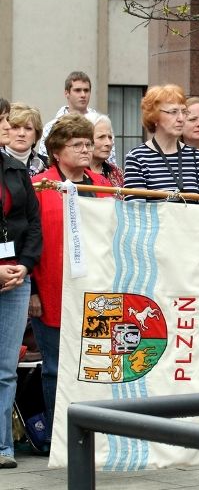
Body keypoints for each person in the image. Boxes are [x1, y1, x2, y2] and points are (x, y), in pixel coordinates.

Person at [30, 114, 112, 445]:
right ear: (56, 151)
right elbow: (30, 243)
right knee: (55, 368)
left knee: (95, 365)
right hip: (52, 289)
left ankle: (94, 434)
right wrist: (33, 291)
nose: (85, 149)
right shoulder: (40, 187)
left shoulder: (102, 186)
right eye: (76, 144)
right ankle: (59, 435)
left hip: (97, 292)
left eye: (88, 144)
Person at [0, 100, 42, 468]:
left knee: (5, 368)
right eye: (3, 122)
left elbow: (33, 224)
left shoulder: (16, 171)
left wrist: (25, 266)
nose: (8, 127)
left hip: (16, 279)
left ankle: (3, 446)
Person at [123, 84, 199, 201]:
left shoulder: (197, 157)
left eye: (184, 111)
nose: (180, 118)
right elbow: (136, 210)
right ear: (154, 117)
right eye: (173, 112)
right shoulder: (137, 157)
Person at [38, 71, 115, 164]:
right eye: (78, 90)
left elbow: (111, 162)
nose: (83, 95)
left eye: (86, 90)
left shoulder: (102, 123)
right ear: (66, 93)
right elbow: (46, 162)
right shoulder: (51, 126)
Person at [5, 103, 47, 175]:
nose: (22, 133)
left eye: (28, 128)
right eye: (15, 127)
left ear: (36, 135)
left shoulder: (48, 165)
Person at [88, 114, 123, 187]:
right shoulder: (76, 173)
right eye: (101, 137)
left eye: (110, 137)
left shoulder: (117, 173)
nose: (108, 143)